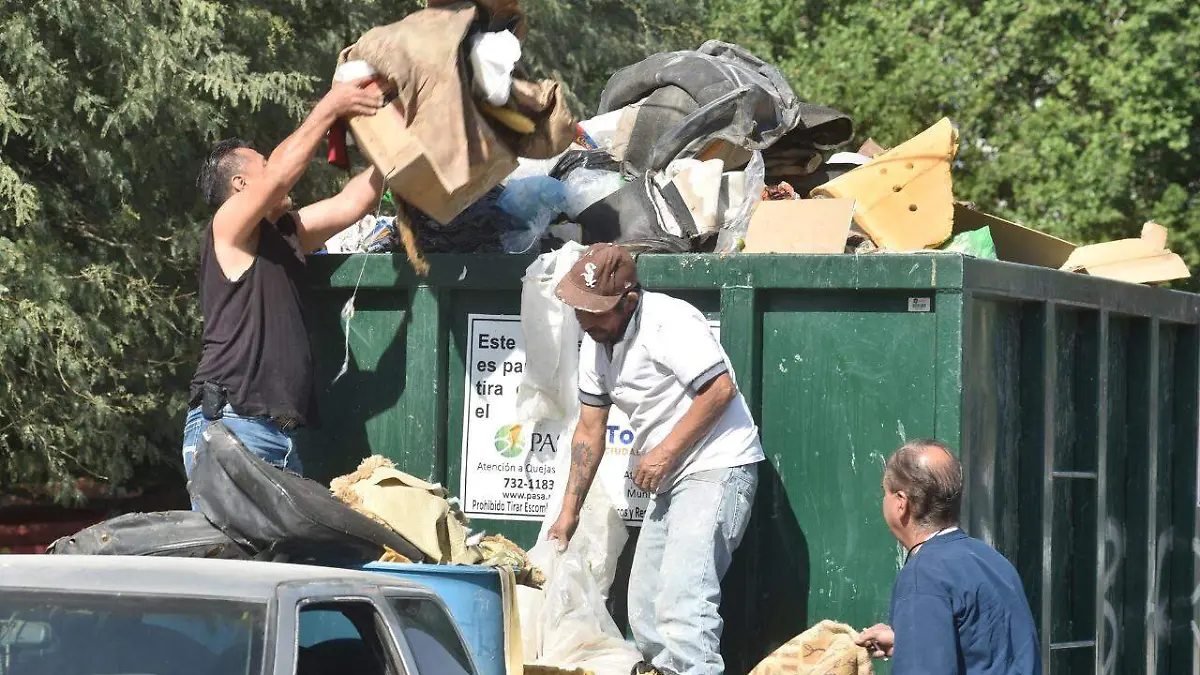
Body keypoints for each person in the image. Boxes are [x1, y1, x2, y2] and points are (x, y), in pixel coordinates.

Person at [547, 243, 765, 675]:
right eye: (580, 309)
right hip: (672, 478)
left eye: (595, 310)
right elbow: (590, 430)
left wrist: (664, 453)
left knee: (683, 605)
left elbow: (720, 390)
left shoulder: (670, 320)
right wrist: (567, 514)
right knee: (644, 610)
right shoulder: (596, 342)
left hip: (716, 468)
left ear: (628, 302)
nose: (585, 319)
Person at [181, 77, 387, 480]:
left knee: (281, 547)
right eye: (262, 162)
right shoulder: (228, 226)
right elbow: (280, 176)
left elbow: (356, 200)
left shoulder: (286, 235)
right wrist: (332, 107)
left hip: (275, 437)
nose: (274, 169)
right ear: (241, 186)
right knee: (233, 546)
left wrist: (401, 142)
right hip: (230, 428)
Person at [855, 439, 1041, 675]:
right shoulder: (992, 560)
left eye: (885, 491)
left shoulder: (923, 576)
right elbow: (988, 650)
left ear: (901, 503)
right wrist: (909, 642)